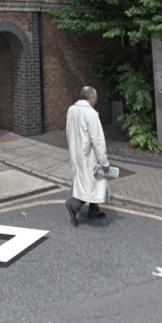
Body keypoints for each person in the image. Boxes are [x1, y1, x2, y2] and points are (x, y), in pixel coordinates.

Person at [65, 86, 111, 227]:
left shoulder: (71, 110)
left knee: (85, 183)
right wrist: (104, 162)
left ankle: (93, 210)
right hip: (89, 156)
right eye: (95, 98)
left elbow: (68, 131)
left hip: (76, 153)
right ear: (92, 97)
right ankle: (74, 204)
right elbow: (97, 140)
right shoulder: (91, 114)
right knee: (94, 183)